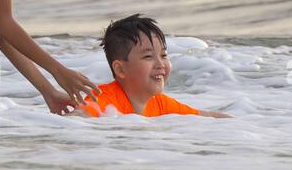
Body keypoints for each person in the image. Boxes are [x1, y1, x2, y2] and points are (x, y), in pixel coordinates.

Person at [78, 15, 229, 118]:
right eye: (148, 56)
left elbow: (207, 117)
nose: (160, 64)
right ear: (120, 69)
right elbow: (77, 119)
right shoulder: (104, 99)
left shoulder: (161, 104)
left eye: (164, 55)